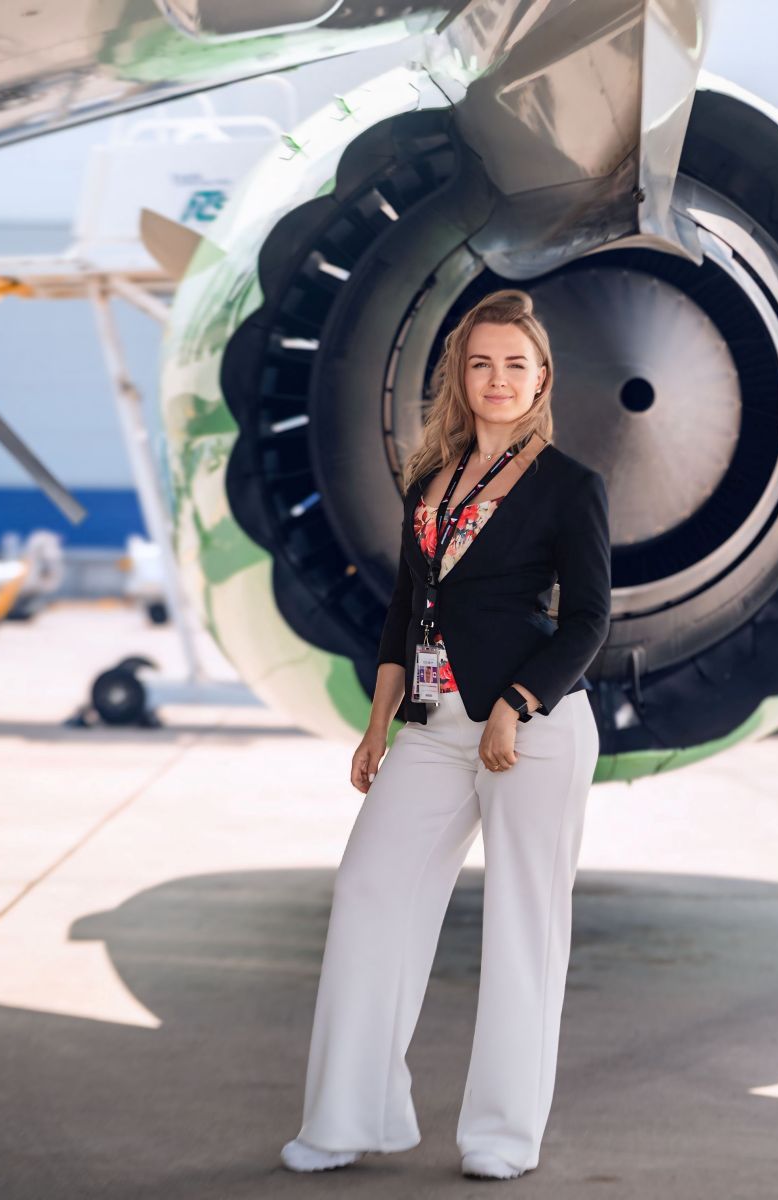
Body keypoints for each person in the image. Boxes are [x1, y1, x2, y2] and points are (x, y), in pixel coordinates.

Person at [280, 289, 612, 1180]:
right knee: (368, 891)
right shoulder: (432, 478)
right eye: (481, 363)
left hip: (532, 728)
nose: (498, 378)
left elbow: (588, 621)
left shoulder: (570, 486)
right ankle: (347, 1118)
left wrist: (518, 703)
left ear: (542, 378)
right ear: (460, 377)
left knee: (523, 926)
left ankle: (502, 1137)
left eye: (515, 364)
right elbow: (405, 611)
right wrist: (377, 723)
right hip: (430, 727)